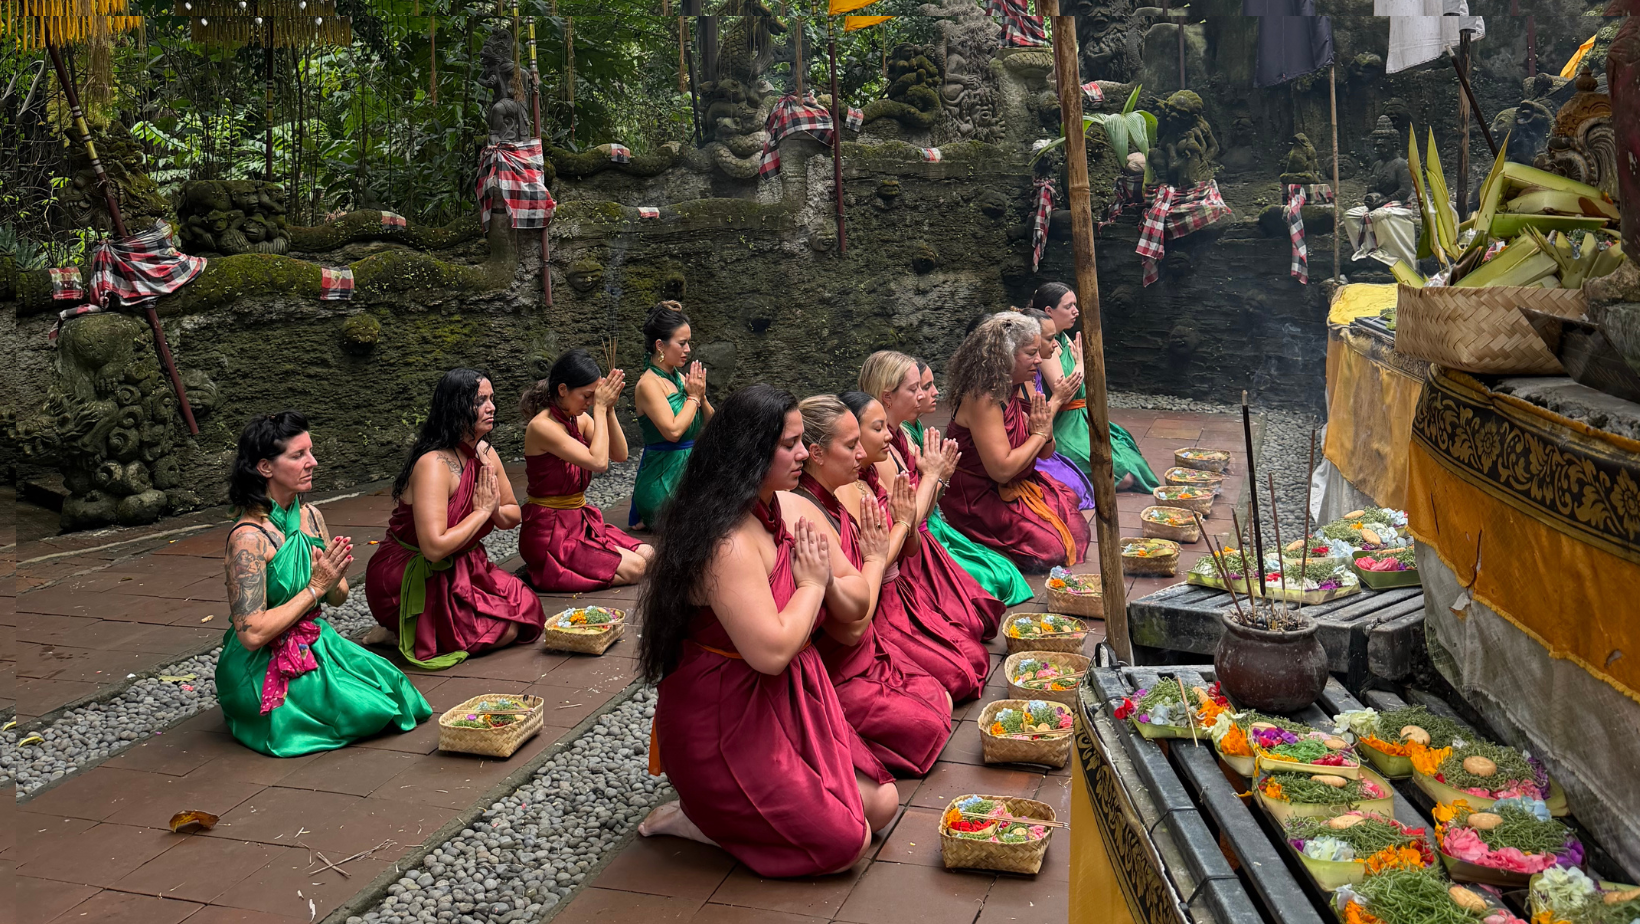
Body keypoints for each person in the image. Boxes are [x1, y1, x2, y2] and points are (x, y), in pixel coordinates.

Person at [636, 385, 899, 878]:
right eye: (790, 444)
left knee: (882, 804)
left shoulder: (790, 508)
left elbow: (858, 600)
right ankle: (701, 819)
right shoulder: (726, 542)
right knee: (848, 843)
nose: (805, 453)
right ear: (750, 452)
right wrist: (812, 585)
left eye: (802, 440)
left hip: (792, 701)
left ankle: (731, 816)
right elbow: (773, 652)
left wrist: (829, 586)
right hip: (726, 722)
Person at [218, 412, 430, 757]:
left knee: (396, 692)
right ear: (265, 467)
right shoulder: (248, 539)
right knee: (363, 711)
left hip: (316, 640)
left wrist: (333, 579)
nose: (312, 462)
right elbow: (251, 634)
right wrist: (315, 587)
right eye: (298, 455)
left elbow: (339, 597)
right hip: (261, 661)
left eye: (311, 452)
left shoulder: (312, 516)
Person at [793, 395, 953, 777]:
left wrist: (905, 520)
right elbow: (853, 627)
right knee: (931, 720)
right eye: (851, 446)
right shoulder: (806, 514)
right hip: (840, 664)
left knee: (945, 696)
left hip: (870, 647)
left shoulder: (837, 497)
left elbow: (908, 545)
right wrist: (882, 552)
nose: (863, 453)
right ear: (816, 453)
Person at [365, 369, 545, 669]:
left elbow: (513, 514)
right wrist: (482, 512)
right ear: (456, 407)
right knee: (504, 630)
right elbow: (434, 548)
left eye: (492, 399)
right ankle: (397, 630)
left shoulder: (485, 452)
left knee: (526, 610)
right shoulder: (433, 465)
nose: (492, 407)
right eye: (481, 401)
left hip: (467, 565)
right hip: (413, 574)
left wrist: (494, 508)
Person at [838, 388, 990, 699]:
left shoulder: (873, 472)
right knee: (960, 676)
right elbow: (878, 558)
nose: (929, 393)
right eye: (876, 429)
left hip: (901, 587)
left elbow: (910, 544)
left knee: (976, 654)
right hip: (880, 604)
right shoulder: (849, 487)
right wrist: (909, 516)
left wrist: (911, 518)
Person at [941, 314, 1090, 573]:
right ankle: (978, 548)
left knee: (1077, 530)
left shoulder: (1019, 385)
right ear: (1006, 356)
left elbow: (1046, 451)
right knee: (1050, 549)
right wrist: (1039, 434)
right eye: (1031, 353)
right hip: (979, 493)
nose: (1039, 360)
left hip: (1017, 483)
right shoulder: (983, 397)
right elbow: (1002, 469)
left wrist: (1043, 430)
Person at [517, 349, 654, 592]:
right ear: (562, 390)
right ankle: (545, 570)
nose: (590, 403)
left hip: (579, 520)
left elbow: (619, 455)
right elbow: (598, 462)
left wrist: (609, 409)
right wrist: (599, 409)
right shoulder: (542, 427)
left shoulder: (577, 419)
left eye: (594, 397)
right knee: (637, 568)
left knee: (649, 554)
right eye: (586, 396)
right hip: (550, 531)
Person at [900, 360, 1034, 607]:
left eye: (927, 386)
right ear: (889, 396)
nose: (933, 393)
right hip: (915, 533)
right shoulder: (898, 439)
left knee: (1005, 570)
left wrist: (941, 477)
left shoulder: (915, 426)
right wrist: (940, 478)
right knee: (991, 580)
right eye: (920, 387)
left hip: (932, 518)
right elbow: (911, 512)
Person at [1033, 282, 1160, 492]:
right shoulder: (1048, 346)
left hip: (1081, 418)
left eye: (1075, 305)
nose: (1076, 311)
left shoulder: (1064, 337)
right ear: (1049, 311)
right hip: (1063, 424)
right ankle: (1068, 482)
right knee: (1123, 478)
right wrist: (1081, 364)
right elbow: (1065, 393)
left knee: (1131, 460)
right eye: (1068, 306)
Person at [630, 302, 713, 529]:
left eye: (689, 343)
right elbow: (673, 432)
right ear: (660, 345)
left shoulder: (678, 378)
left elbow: (713, 423)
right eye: (682, 343)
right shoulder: (648, 384)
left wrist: (702, 396)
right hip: (662, 481)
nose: (688, 349)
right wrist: (693, 398)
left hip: (689, 474)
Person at [1019, 307, 1098, 509]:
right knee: (1072, 492)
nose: (1055, 344)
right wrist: (1057, 398)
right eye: (1049, 339)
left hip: (1044, 442)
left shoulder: (1033, 369)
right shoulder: (1019, 378)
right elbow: (1032, 428)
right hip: (1027, 452)